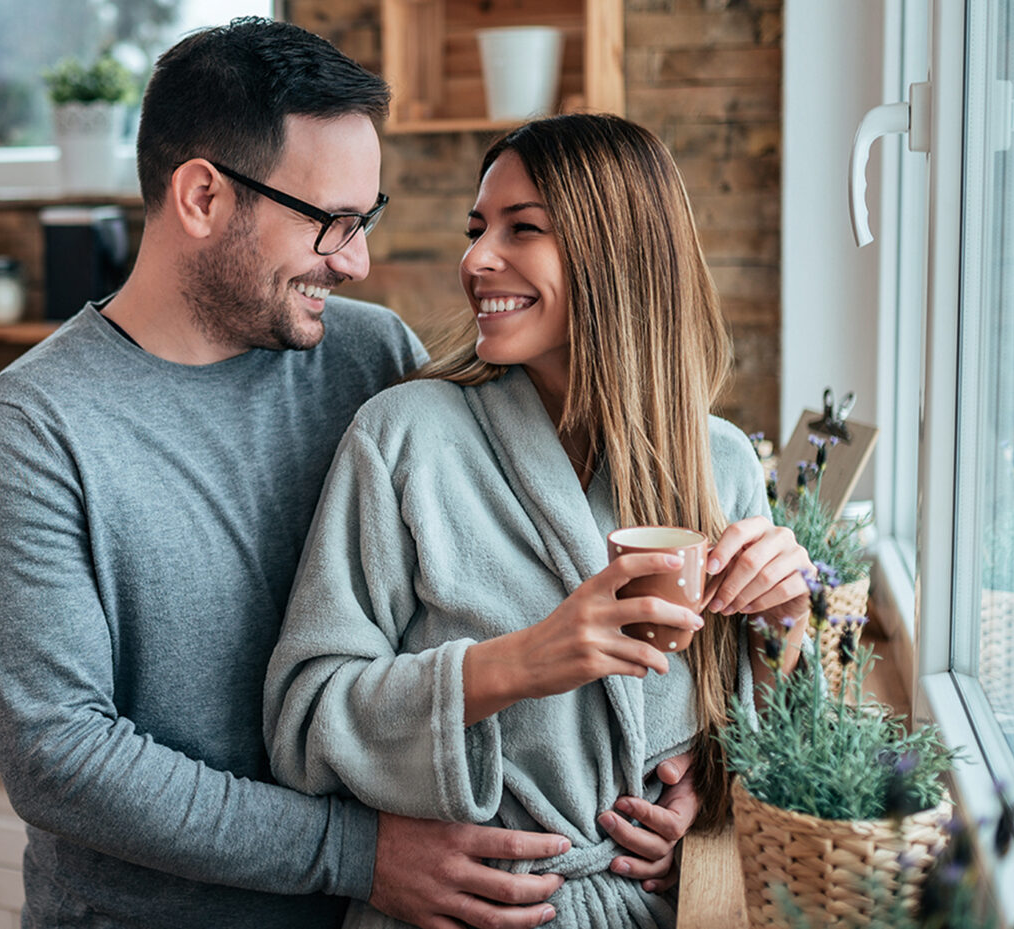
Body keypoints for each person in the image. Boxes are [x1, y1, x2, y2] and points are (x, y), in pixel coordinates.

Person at [0, 18, 652, 929]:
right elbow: (62, 757)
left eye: (367, 219)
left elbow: (513, 578)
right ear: (201, 196)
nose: (353, 260)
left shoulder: (372, 357)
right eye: (330, 222)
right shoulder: (29, 432)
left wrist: (671, 782)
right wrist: (356, 854)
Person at [264, 113, 814, 928]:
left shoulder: (720, 465)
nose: (477, 259)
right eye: (477, 228)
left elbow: (767, 757)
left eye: (523, 229)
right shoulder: (405, 436)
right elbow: (303, 720)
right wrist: (520, 662)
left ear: (615, 253)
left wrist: (778, 640)